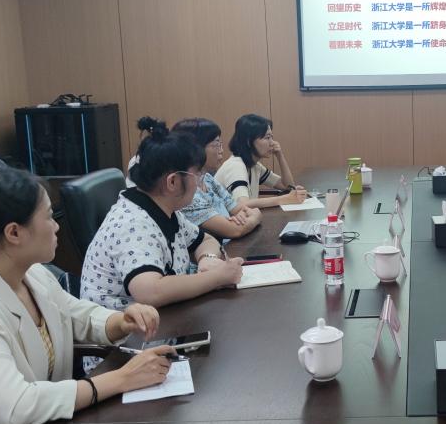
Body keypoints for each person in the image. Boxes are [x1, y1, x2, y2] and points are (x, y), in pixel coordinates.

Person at [0, 168, 176, 424]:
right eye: (49, 216)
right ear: (14, 233)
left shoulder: (33, 275)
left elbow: (75, 315)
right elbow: (16, 406)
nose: (56, 226)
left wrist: (121, 321)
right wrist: (122, 379)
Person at [81, 117, 244, 313]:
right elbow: (151, 292)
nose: (198, 183)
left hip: (166, 317)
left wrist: (207, 259)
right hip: (129, 328)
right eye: (197, 175)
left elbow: (205, 240)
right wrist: (218, 277)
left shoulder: (165, 209)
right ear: (172, 182)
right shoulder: (133, 223)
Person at [171, 118, 262, 239]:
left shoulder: (207, 178)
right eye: (216, 145)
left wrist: (242, 219)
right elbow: (234, 230)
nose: (222, 151)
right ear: (196, 148)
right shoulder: (186, 190)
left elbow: (237, 209)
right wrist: (255, 217)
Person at [215, 114, 308, 209]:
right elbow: (242, 204)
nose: (272, 143)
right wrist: (284, 199)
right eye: (267, 138)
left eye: (271, 137)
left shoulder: (254, 166)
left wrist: (280, 156)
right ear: (248, 141)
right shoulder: (236, 166)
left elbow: (287, 186)